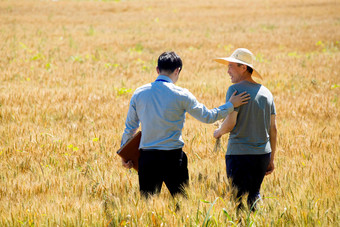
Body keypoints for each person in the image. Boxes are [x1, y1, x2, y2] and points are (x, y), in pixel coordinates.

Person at [120, 51, 250, 198]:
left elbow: (130, 127)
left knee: (147, 206)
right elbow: (208, 117)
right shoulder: (182, 94)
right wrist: (230, 105)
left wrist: (124, 154)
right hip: (173, 158)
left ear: (157, 70)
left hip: (147, 159)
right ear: (177, 70)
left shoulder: (139, 93)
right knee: (182, 205)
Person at [213, 48, 277, 210]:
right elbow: (273, 129)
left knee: (238, 202)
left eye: (231, 66)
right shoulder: (266, 93)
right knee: (254, 196)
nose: (227, 71)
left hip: (240, 155)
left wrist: (218, 132)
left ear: (243, 67)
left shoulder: (235, 90)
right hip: (262, 155)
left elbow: (231, 123)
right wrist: (272, 158)